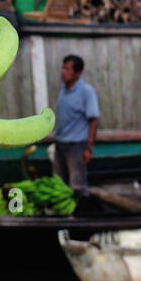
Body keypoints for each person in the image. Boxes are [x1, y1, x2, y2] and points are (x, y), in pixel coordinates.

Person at [48, 55, 99, 198]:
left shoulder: (86, 91)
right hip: (60, 143)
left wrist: (89, 148)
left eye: (67, 69)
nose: (63, 72)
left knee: (77, 185)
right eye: (63, 68)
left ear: (77, 73)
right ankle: (63, 216)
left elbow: (94, 120)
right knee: (59, 184)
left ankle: (80, 216)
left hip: (76, 146)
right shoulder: (63, 89)